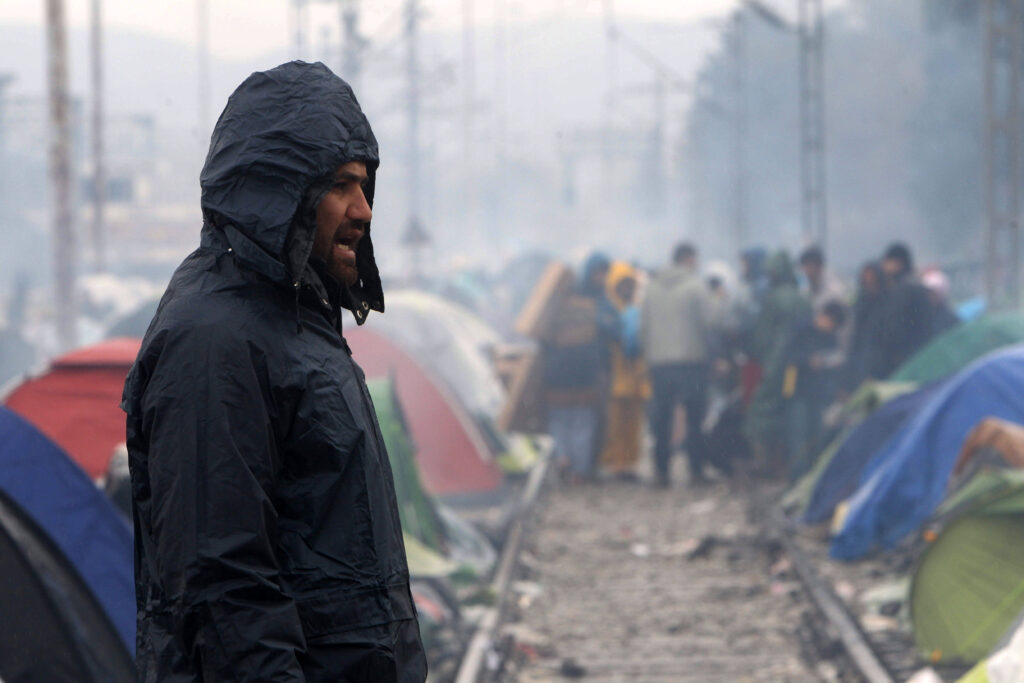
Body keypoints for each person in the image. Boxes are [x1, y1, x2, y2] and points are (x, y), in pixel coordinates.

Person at [122, 62, 426, 682]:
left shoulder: (291, 323)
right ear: (277, 190)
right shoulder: (216, 342)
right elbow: (223, 587)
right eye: (342, 186)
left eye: (366, 187)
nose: (364, 210)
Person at [642, 243, 718, 487]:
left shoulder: (651, 288)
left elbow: (644, 328)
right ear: (688, 259)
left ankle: (661, 473)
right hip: (690, 362)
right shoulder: (696, 287)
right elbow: (713, 319)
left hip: (660, 363)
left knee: (661, 420)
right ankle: (696, 472)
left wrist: (649, 358)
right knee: (695, 419)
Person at [543, 253, 618, 482]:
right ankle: (578, 469)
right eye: (599, 272)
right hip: (587, 369)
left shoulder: (559, 302)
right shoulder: (600, 304)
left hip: (558, 368)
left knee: (561, 419)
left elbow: (543, 336)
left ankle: (564, 458)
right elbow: (613, 331)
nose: (602, 277)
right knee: (583, 422)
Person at [742, 250, 812, 478]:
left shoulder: (772, 299)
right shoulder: (803, 298)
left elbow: (761, 337)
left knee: (761, 411)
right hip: (798, 366)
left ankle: (765, 463)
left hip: (775, 365)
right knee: (790, 411)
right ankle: (787, 463)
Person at [778, 301, 848, 480]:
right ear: (825, 317)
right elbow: (787, 356)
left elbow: (834, 359)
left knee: (815, 438)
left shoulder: (830, 336)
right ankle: (795, 480)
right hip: (797, 391)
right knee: (797, 439)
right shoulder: (801, 328)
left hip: (819, 394)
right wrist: (808, 361)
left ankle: (809, 480)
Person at [598, 262, 650, 481]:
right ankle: (616, 464)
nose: (627, 288)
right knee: (615, 424)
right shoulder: (609, 309)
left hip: (635, 377)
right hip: (616, 374)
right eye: (623, 283)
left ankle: (629, 464)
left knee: (633, 424)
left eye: (630, 283)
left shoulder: (636, 308)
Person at [878, 242, 934, 376]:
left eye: (887, 261)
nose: (884, 266)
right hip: (918, 355)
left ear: (898, 263)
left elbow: (895, 326)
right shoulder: (915, 286)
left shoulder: (904, 289)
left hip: (904, 359)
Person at [845, 261, 889, 390]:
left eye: (872, 278)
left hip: (878, 364)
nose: (869, 281)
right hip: (858, 360)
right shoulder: (859, 303)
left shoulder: (886, 304)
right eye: (866, 278)